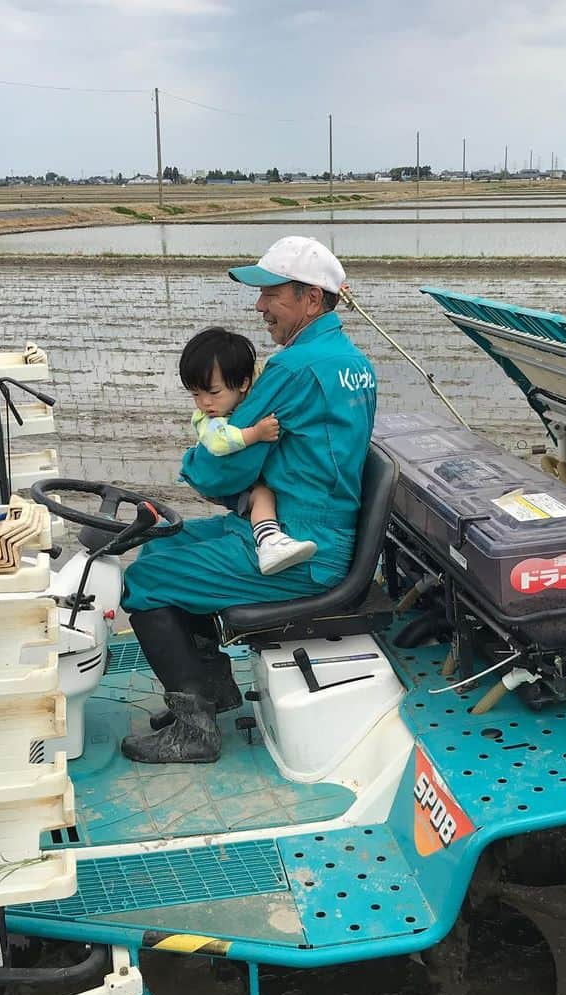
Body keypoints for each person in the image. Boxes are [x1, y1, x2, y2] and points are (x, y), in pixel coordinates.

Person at [120, 236, 377, 764]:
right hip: (305, 528)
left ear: (310, 298)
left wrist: (194, 462)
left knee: (144, 579)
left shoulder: (293, 368)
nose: (259, 306)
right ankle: (212, 691)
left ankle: (195, 731)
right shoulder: (353, 363)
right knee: (161, 549)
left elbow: (221, 468)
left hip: (301, 545)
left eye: (270, 293)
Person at [179, 325, 317, 575]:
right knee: (262, 495)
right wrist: (257, 433)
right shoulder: (207, 421)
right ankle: (269, 542)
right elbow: (221, 443)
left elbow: (274, 365)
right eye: (195, 394)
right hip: (235, 488)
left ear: (243, 383)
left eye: (213, 393)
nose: (205, 403)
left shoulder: (256, 385)